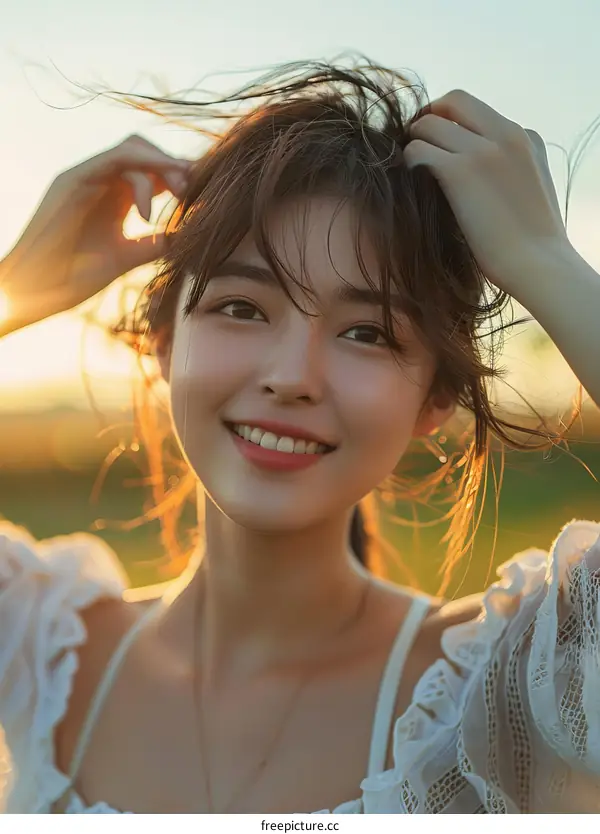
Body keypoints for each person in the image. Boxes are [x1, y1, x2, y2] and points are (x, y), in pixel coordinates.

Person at [0, 60, 599, 815]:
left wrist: (543, 259)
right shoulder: (38, 652)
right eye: (243, 309)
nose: (293, 376)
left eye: (367, 331)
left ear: (435, 398)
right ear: (163, 343)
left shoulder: (510, 697)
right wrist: (12, 286)